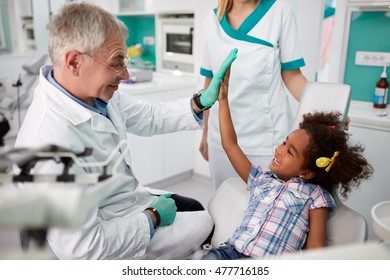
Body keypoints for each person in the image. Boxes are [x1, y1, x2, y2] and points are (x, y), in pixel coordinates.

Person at [14, 2, 237, 260]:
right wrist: (151, 219)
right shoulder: (46, 146)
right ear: (74, 61)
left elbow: (150, 116)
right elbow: (84, 250)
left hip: (121, 203)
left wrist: (201, 102)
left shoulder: (95, 96)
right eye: (116, 62)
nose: (126, 73)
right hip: (105, 236)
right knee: (206, 224)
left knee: (195, 208)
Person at [202, 72, 373, 259]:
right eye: (284, 142)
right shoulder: (261, 179)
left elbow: (315, 249)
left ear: (306, 173)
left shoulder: (315, 196)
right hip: (229, 254)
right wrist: (223, 101)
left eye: (290, 151)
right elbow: (230, 145)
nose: (280, 150)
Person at [199, 0, 309, 189]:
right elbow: (210, 83)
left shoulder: (279, 12)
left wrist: (325, 104)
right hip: (221, 139)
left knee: (267, 212)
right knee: (225, 207)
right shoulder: (211, 21)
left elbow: (293, 76)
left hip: (266, 143)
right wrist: (205, 132)